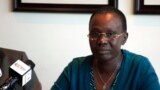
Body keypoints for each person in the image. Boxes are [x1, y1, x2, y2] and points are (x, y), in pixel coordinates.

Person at [51, 6, 160, 90]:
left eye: (110, 34)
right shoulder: (75, 68)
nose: (102, 40)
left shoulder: (140, 67)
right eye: (95, 33)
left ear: (124, 38)